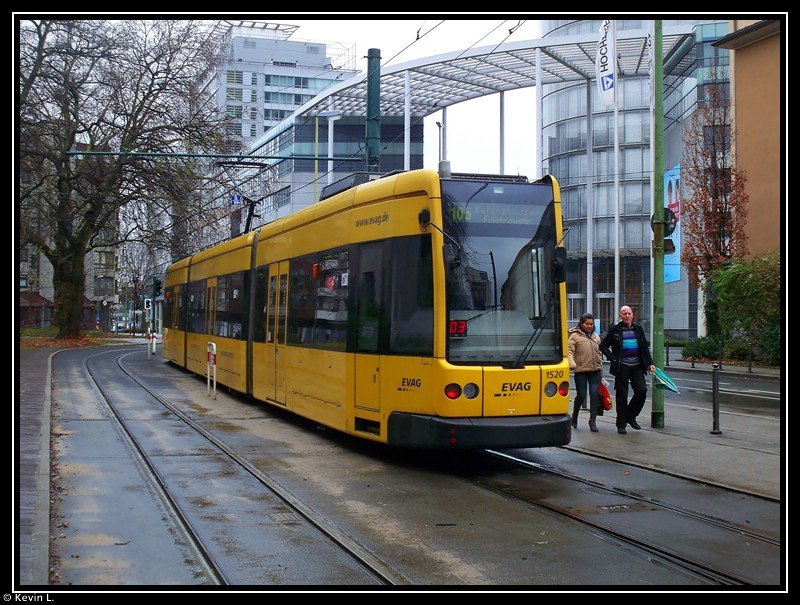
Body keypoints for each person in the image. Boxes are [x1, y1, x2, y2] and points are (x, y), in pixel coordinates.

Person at [600, 305, 655, 434]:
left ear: (632, 315)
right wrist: (612, 358)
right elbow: (603, 346)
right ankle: (621, 424)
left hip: (637, 366)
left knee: (641, 391)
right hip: (622, 366)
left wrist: (650, 363)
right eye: (624, 314)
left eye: (629, 313)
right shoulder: (615, 330)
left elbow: (644, 347)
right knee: (621, 396)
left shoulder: (638, 329)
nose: (627, 316)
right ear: (620, 316)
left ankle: (631, 416)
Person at [568, 313, 604, 432]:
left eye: (591, 324)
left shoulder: (596, 336)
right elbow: (569, 351)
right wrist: (572, 363)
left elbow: (599, 354)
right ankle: (575, 416)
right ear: (582, 324)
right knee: (581, 395)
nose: (589, 326)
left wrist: (601, 370)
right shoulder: (574, 336)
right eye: (587, 324)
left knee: (594, 395)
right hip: (581, 371)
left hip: (595, 371)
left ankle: (592, 420)